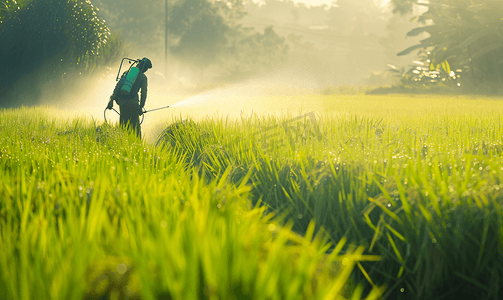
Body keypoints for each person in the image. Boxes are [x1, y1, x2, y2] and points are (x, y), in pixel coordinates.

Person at [107, 57, 152, 138]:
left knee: (123, 127)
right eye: (146, 69)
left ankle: (122, 144)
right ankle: (137, 146)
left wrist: (111, 100)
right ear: (145, 68)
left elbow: (118, 87)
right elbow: (144, 94)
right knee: (135, 130)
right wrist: (140, 107)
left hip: (122, 104)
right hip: (133, 105)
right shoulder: (143, 77)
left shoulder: (127, 73)